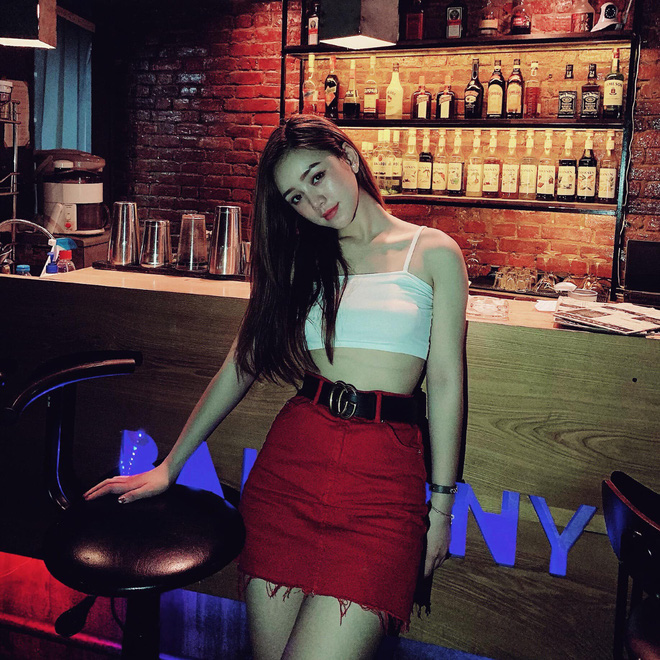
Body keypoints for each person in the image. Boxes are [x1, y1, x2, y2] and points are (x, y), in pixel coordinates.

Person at [84, 115, 468, 660]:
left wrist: (442, 509)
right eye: (295, 197)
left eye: (317, 177)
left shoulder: (433, 252)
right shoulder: (301, 260)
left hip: (382, 488)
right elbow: (241, 363)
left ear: (347, 157)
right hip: (291, 471)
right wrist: (170, 465)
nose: (315, 202)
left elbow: (448, 383)